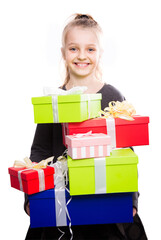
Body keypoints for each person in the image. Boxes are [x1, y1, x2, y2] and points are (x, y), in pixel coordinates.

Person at [25, 13, 147, 240]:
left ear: (100, 53)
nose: (82, 56)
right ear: (63, 53)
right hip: (62, 205)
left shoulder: (112, 96)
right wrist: (30, 198)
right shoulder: (54, 101)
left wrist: (131, 199)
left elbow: (127, 154)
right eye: (74, 49)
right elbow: (39, 151)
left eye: (90, 49)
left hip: (105, 204)